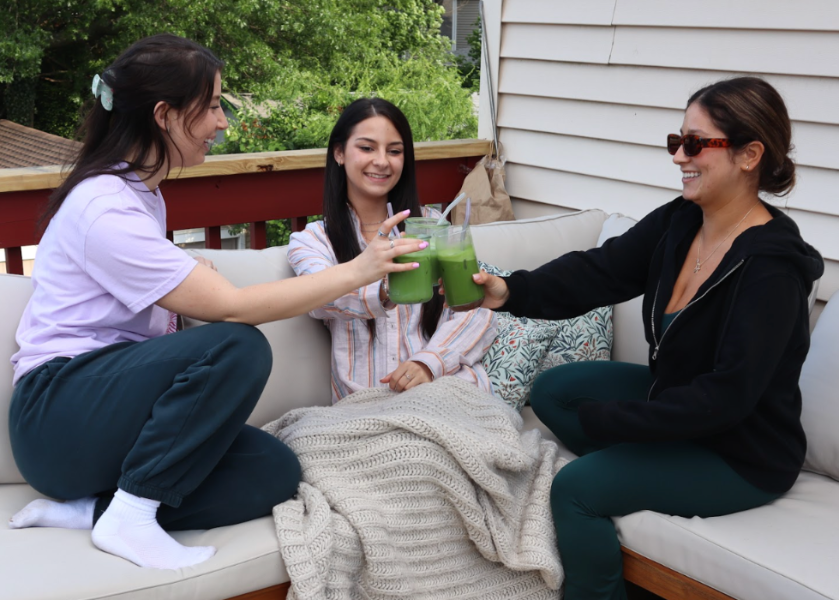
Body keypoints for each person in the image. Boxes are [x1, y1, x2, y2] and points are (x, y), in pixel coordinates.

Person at [6, 34, 426, 571]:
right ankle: (133, 513)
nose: (222, 120)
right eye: (210, 106)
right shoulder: (103, 206)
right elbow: (230, 309)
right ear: (165, 114)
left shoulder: (141, 193)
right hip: (57, 415)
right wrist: (358, 270)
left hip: (105, 418)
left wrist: (177, 286)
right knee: (236, 344)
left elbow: (135, 314)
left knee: (272, 470)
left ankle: (96, 509)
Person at [468, 77, 824, 600]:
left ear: (750, 155)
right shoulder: (683, 221)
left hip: (741, 452)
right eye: (676, 141)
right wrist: (507, 291)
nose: (680, 156)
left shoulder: (773, 271)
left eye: (696, 143)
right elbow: (599, 271)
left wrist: (609, 421)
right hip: (678, 410)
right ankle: (646, 466)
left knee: (575, 488)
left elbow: (726, 398)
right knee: (554, 392)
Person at [287, 98, 496, 403]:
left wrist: (429, 362)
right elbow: (318, 297)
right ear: (339, 153)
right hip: (367, 404)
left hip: (446, 391)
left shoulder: (433, 227)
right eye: (367, 148)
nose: (382, 161)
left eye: (395, 151)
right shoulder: (313, 241)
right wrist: (385, 285)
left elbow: (476, 311)